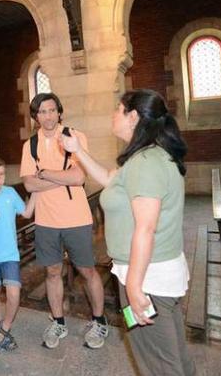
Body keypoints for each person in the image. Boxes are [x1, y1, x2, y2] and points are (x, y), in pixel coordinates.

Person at [61, 89, 195, 376]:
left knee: (158, 364)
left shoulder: (145, 163)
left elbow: (145, 228)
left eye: (117, 109)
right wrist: (78, 150)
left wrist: (133, 287)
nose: (113, 114)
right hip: (151, 274)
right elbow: (109, 180)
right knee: (173, 357)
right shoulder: (145, 158)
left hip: (146, 279)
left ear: (132, 117)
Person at [19, 92, 109, 350]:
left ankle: (99, 320)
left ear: (59, 112)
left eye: (51, 110)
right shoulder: (30, 145)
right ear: (35, 117)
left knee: (87, 270)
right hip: (46, 220)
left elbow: (79, 178)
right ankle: (58, 321)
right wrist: (61, 176)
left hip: (76, 217)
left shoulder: (74, 137)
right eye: (41, 111)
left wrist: (44, 174)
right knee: (52, 271)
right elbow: (28, 182)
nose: (47, 115)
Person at [0, 156, 36, 352]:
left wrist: (36, 191)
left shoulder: (10, 192)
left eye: (1, 174)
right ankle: (0, 330)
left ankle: (4, 328)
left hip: (10, 254)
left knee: (13, 293)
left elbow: (27, 213)